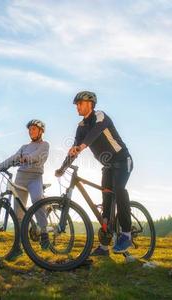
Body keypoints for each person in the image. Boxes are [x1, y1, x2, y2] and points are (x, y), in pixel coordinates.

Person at [55, 91, 133, 256]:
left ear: (90, 103)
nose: (77, 106)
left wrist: (81, 146)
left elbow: (94, 133)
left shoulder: (100, 116)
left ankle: (126, 234)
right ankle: (104, 247)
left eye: (80, 103)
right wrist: (62, 168)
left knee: (119, 190)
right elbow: (75, 149)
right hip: (108, 166)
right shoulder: (81, 127)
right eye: (76, 104)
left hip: (122, 160)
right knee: (106, 201)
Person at [0, 119, 50, 256]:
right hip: (21, 178)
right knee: (18, 214)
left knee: (37, 199)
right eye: (30, 129)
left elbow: (38, 156)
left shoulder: (45, 145)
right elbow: (12, 158)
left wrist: (26, 158)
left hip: (35, 178)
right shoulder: (24, 147)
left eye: (34, 129)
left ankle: (44, 232)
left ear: (40, 131)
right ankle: (18, 248)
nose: (31, 131)